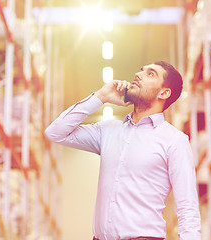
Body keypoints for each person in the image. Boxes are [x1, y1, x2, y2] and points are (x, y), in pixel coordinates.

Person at [45, 61, 201, 240]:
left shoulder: (174, 141)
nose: (138, 74)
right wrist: (101, 96)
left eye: (150, 74)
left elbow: (187, 207)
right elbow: (55, 132)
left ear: (164, 93)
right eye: (141, 70)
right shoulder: (108, 130)